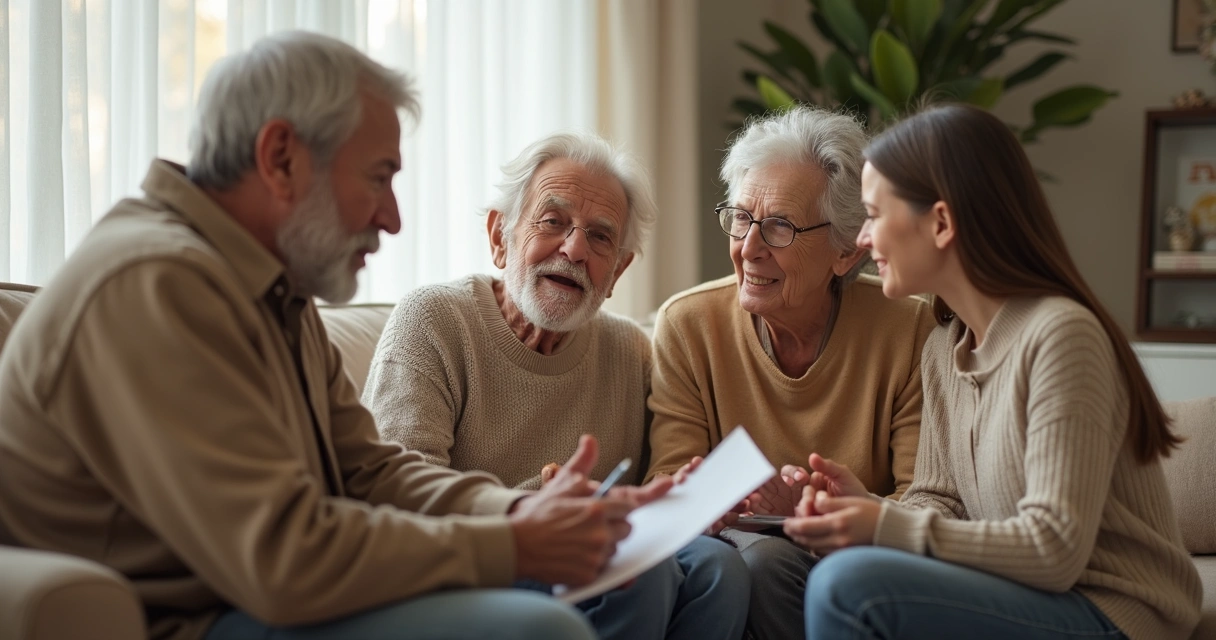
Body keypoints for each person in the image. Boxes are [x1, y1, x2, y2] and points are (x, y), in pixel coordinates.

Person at [0, 31, 667, 640]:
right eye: (379, 177)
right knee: (540, 630)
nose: (393, 217)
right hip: (191, 620)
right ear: (281, 158)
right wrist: (515, 545)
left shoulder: (268, 289)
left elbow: (369, 469)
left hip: (254, 599)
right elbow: (281, 558)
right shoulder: (156, 283)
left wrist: (519, 515)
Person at [787, 103, 1202, 640]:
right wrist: (863, 507)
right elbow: (942, 502)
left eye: (874, 214)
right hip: (1029, 596)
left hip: (1114, 609)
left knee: (848, 587)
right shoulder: (944, 348)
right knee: (822, 572)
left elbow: (1055, 550)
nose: (863, 238)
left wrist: (883, 527)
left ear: (941, 223)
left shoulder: (1061, 336)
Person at [362, 131, 750, 640]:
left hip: (584, 558)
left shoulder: (630, 352)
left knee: (720, 569)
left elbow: (642, 502)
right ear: (500, 236)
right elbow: (396, 496)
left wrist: (686, 501)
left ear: (617, 272)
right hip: (469, 564)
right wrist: (539, 506)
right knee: (640, 573)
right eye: (552, 221)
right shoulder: (433, 320)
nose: (574, 249)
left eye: (601, 237)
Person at [644, 105, 934, 640]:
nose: (748, 248)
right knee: (761, 564)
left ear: (845, 251)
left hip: (857, 560)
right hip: (739, 554)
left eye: (779, 226)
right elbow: (667, 477)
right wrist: (712, 500)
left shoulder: (908, 328)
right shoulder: (688, 324)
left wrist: (810, 509)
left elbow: (922, 500)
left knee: (779, 566)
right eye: (741, 218)